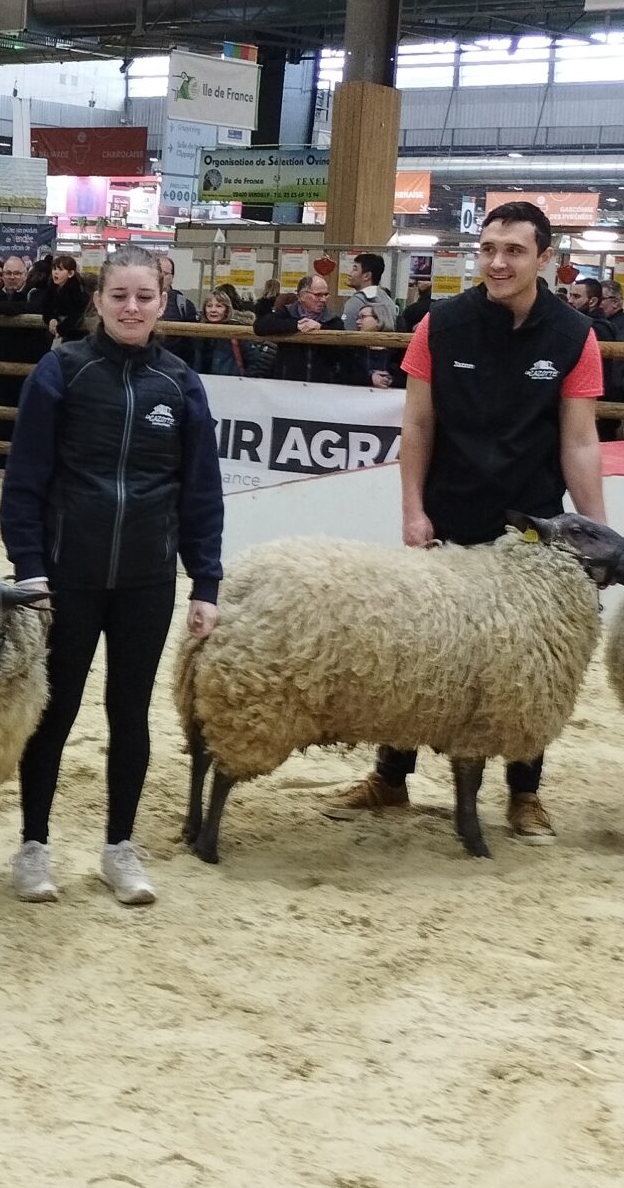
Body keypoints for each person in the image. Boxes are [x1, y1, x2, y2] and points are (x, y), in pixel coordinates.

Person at [334, 200, 605, 840]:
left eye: (513, 250)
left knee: (528, 666)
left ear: (546, 258)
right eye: (488, 249)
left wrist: (595, 532)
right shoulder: (440, 325)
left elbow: (580, 442)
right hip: (448, 512)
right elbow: (418, 423)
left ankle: (524, 794)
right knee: (417, 653)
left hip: (532, 531)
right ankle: (391, 778)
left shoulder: (574, 336)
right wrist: (412, 508)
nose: (497, 261)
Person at [0, 245, 223, 907]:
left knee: (129, 713)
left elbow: (201, 493)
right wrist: (31, 570)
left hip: (146, 578)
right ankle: (33, 846)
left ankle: (119, 848)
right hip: (68, 577)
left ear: (162, 302)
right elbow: (25, 483)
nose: (131, 307)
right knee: (55, 711)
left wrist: (204, 582)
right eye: (119, 295)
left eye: (144, 297)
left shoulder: (181, 385)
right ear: (98, 300)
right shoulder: (61, 371)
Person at [254, 273, 357, 384]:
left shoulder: (333, 320)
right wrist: (296, 325)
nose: (323, 299)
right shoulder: (287, 313)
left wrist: (321, 327)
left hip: (322, 385)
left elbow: (342, 341)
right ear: (302, 295)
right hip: (287, 384)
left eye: (326, 295)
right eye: (318, 295)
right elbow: (260, 326)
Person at [338, 251, 401, 387]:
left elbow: (347, 337)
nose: (349, 273)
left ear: (367, 275)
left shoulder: (355, 302)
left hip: (360, 372)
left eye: (355, 269)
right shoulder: (388, 300)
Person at [189, 287, 248, 376]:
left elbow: (253, 361)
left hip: (229, 383)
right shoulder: (196, 331)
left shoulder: (237, 331)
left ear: (227, 309)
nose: (213, 310)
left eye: (219, 306)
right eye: (209, 306)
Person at [41, 251, 88, 344]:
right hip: (57, 331)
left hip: (75, 335)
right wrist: (51, 319)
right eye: (54, 269)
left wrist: (61, 328)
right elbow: (45, 307)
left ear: (70, 273)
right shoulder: (51, 287)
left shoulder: (77, 289)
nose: (56, 272)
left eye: (60, 269)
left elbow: (78, 313)